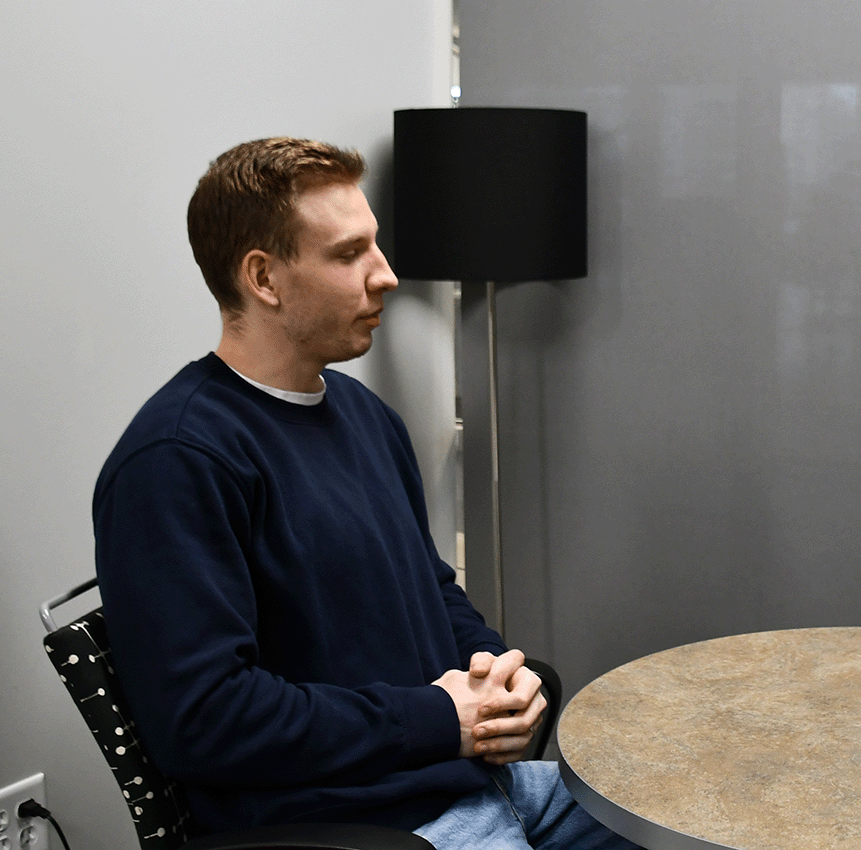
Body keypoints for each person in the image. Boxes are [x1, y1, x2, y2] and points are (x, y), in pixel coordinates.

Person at [94, 137, 636, 850]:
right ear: (263, 277)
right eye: (350, 254)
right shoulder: (178, 460)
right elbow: (205, 719)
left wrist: (496, 674)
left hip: (473, 782)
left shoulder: (364, 415)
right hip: (366, 826)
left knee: (688, 809)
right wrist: (438, 719)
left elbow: (430, 589)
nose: (386, 275)